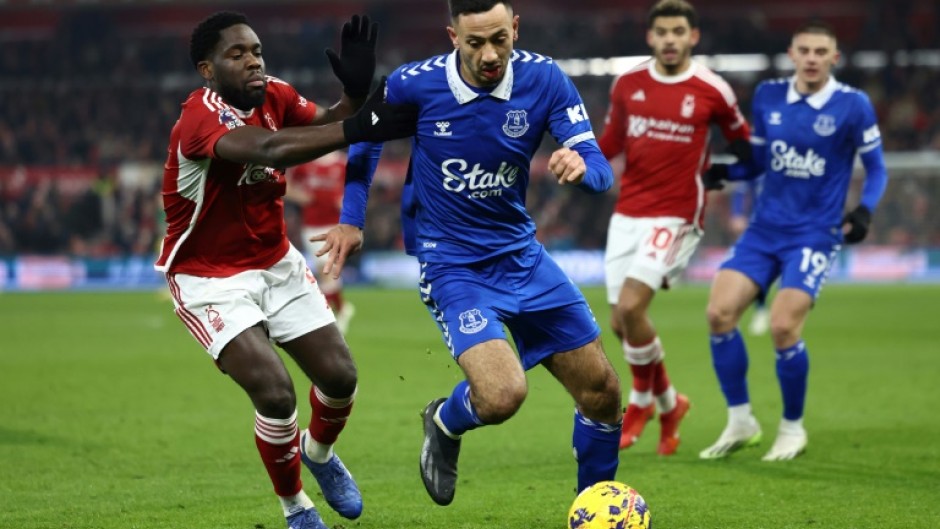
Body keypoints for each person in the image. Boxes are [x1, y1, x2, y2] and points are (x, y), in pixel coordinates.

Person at [316, 0, 623, 507]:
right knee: (502, 396)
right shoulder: (415, 83)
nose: (490, 54)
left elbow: (599, 166)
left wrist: (581, 167)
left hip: (522, 255)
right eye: (475, 42)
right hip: (452, 263)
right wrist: (352, 219)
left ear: (515, 28)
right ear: (453, 37)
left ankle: (596, 506)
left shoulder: (544, 79)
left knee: (603, 393)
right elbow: (365, 139)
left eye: (500, 39)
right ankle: (444, 421)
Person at [153, 11, 416, 529]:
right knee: (275, 392)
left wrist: (355, 94)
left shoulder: (274, 93)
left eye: (255, 50)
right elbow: (271, 148)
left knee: (340, 377)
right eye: (236, 54)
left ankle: (318, 454)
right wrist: (359, 124)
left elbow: (330, 121)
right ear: (207, 69)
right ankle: (296, 507)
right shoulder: (200, 118)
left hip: (275, 262)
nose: (253, 61)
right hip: (208, 277)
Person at [698, 19, 888, 461]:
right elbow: (759, 161)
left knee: (783, 326)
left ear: (834, 57)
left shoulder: (853, 105)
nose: (812, 59)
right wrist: (725, 171)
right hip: (764, 229)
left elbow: (877, 167)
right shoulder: (768, 96)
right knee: (718, 313)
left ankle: (792, 428)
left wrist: (864, 210)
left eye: (821, 52)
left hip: (814, 234)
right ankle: (741, 421)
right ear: (792, 54)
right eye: (805, 50)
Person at [596, 0, 751, 455]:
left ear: (692, 37)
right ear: (650, 37)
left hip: (677, 213)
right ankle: (670, 403)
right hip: (628, 212)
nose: (669, 39)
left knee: (631, 307)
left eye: (678, 32)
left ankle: (641, 401)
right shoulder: (628, 84)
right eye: (661, 32)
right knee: (621, 323)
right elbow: (610, 142)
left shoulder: (712, 89)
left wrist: (724, 173)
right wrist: (578, 157)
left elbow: (746, 147)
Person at [287, 153, 356, 334]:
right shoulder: (305, 163)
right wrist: (301, 196)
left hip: (335, 225)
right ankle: (341, 308)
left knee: (327, 270)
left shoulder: (342, 164)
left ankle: (325, 315)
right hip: (310, 225)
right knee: (326, 270)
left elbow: (356, 189)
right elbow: (286, 185)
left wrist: (346, 203)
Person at [728, 178, 770, 336]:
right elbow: (742, 187)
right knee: (752, 271)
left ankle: (781, 312)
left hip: (788, 226)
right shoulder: (761, 166)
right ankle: (760, 310)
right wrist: (737, 213)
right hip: (758, 226)